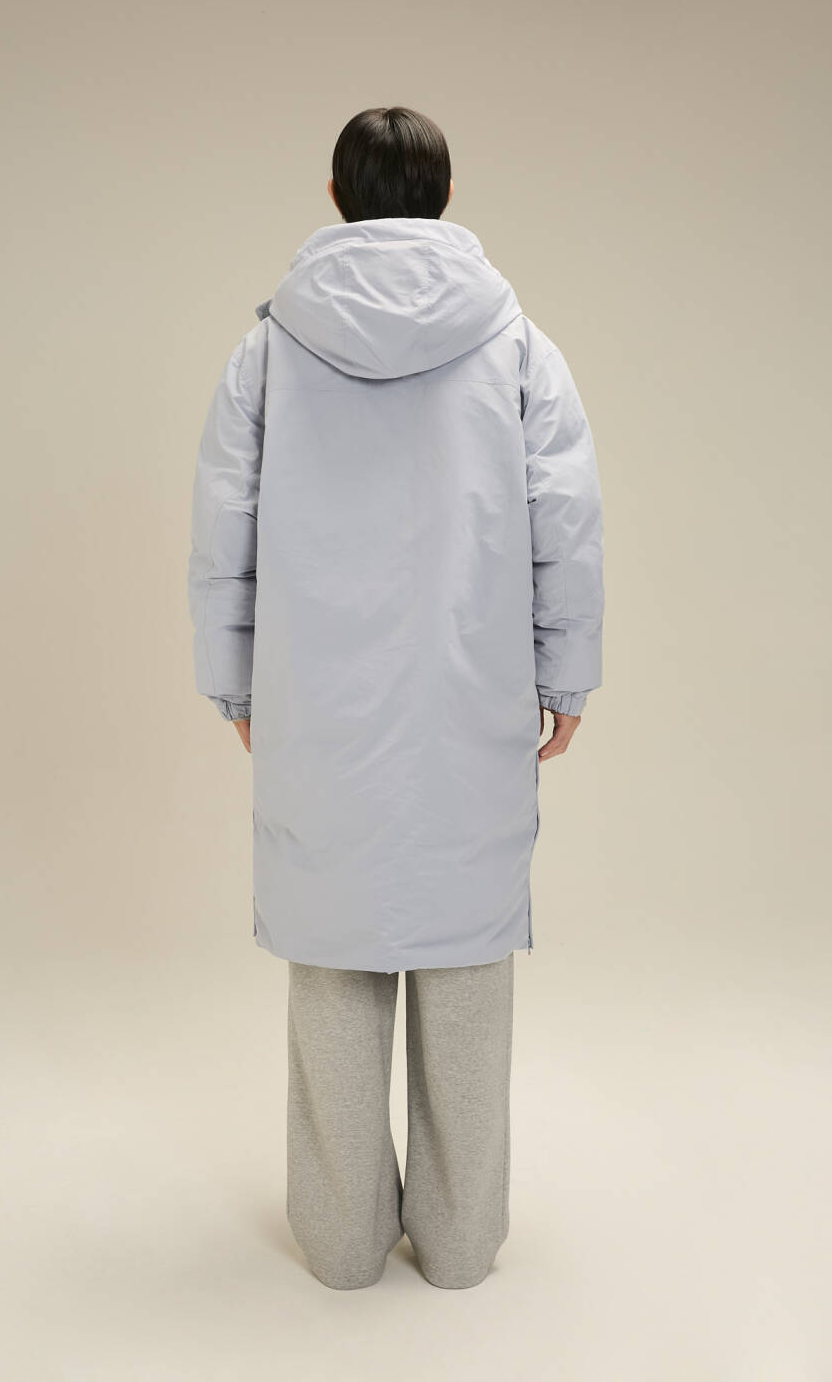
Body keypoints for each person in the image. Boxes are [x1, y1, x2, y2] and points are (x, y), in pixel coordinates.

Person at [187, 106, 605, 1290]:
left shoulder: (269, 351)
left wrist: (233, 679)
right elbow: (567, 522)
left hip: (318, 712)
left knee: (333, 957)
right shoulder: (517, 343)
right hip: (472, 705)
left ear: (336, 194)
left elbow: (225, 529)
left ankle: (339, 1242)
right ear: (446, 194)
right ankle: (463, 1246)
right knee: (465, 955)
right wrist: (566, 673)